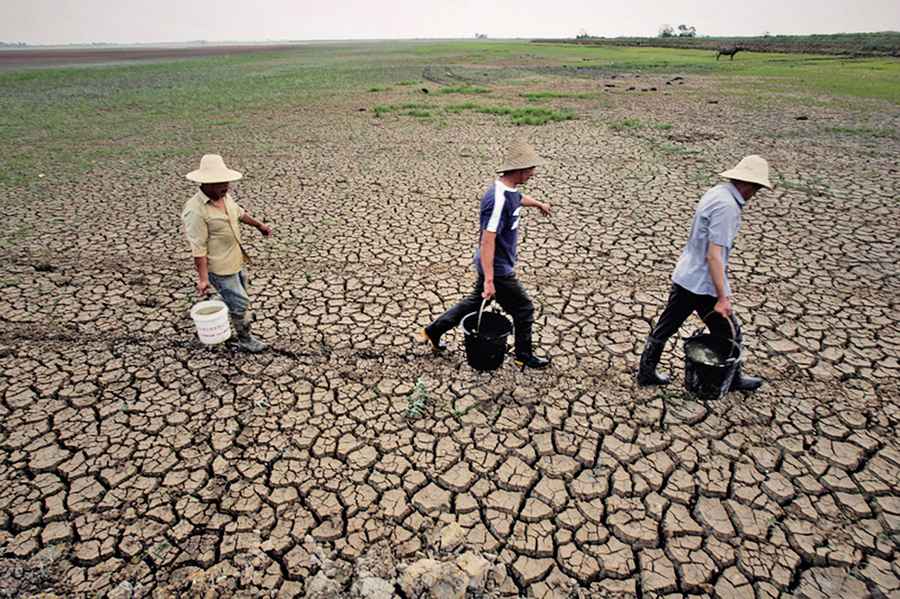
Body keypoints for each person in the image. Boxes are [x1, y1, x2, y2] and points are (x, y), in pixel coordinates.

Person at [637, 155, 773, 390]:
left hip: (687, 275)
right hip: (702, 282)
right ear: (750, 185)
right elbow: (714, 255)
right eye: (757, 189)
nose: (755, 194)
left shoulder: (717, 192)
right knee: (731, 332)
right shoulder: (728, 207)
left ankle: (646, 371)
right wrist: (723, 297)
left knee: (667, 325)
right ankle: (733, 379)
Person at [420, 142, 552, 370]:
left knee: (477, 301)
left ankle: (434, 330)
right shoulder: (496, 200)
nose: (533, 173)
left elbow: (517, 198)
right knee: (524, 309)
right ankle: (523, 355)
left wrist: (538, 203)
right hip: (497, 268)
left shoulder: (507, 190)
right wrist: (490, 279)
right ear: (520, 170)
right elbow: (487, 239)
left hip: (494, 265)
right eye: (531, 169)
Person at [181, 154, 272, 353]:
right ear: (205, 183)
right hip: (220, 267)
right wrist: (203, 279)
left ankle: (223, 305)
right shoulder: (195, 211)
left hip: (236, 259)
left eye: (226, 181)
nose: (226, 186)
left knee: (239, 295)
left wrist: (259, 226)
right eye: (220, 183)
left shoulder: (224, 196)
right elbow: (199, 249)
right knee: (240, 302)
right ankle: (245, 339)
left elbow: (239, 213)